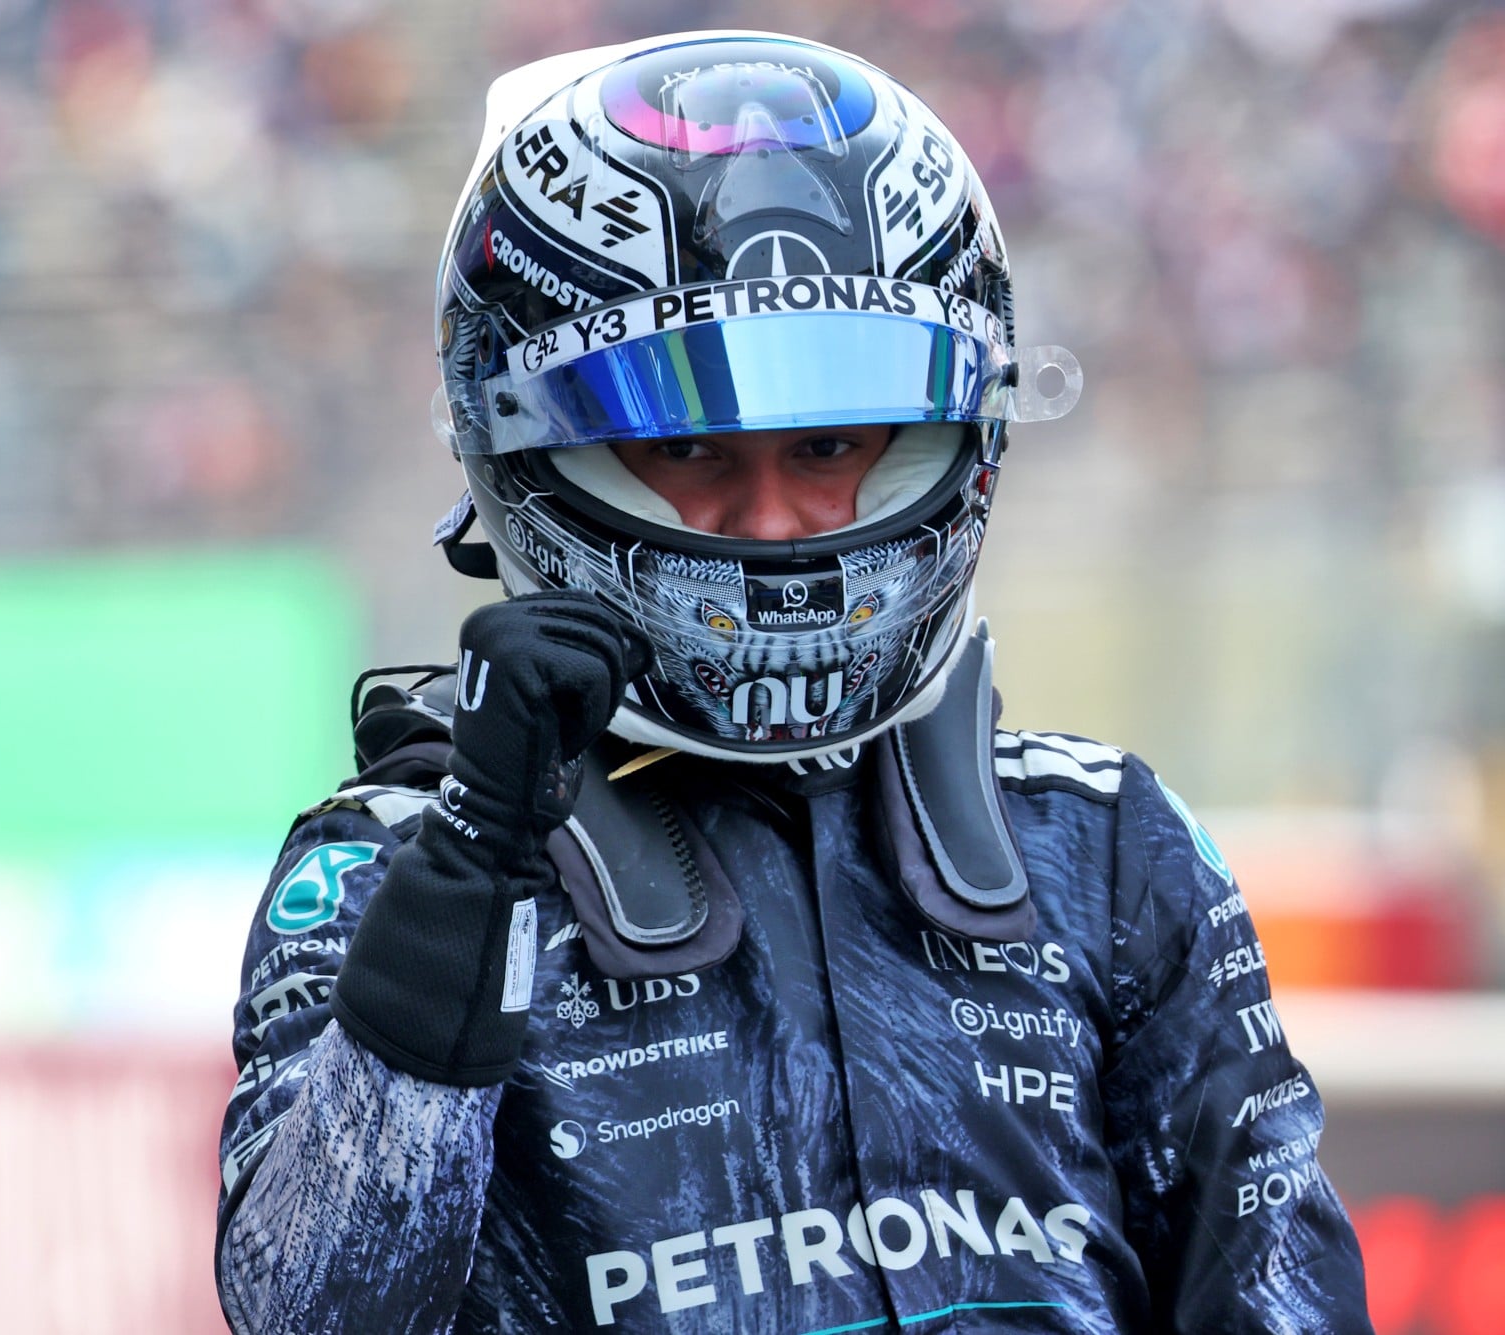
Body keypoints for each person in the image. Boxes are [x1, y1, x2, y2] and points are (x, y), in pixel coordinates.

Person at [215, 30, 1371, 1333]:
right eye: (692, 445)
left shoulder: (1101, 847)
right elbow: (309, 1312)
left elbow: (1287, 1306)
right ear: (535, 449)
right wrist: (476, 873)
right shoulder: (394, 871)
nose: (773, 522)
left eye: (828, 444)